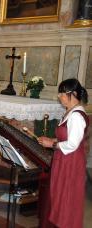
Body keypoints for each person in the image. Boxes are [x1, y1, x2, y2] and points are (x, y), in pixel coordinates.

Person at [38, 78, 88, 228]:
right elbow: (66, 137)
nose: (59, 96)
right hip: (64, 160)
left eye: (62, 93)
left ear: (72, 94)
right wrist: (51, 139)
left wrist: (52, 144)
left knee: (67, 199)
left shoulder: (77, 116)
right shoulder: (70, 112)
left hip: (71, 163)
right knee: (59, 197)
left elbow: (73, 143)